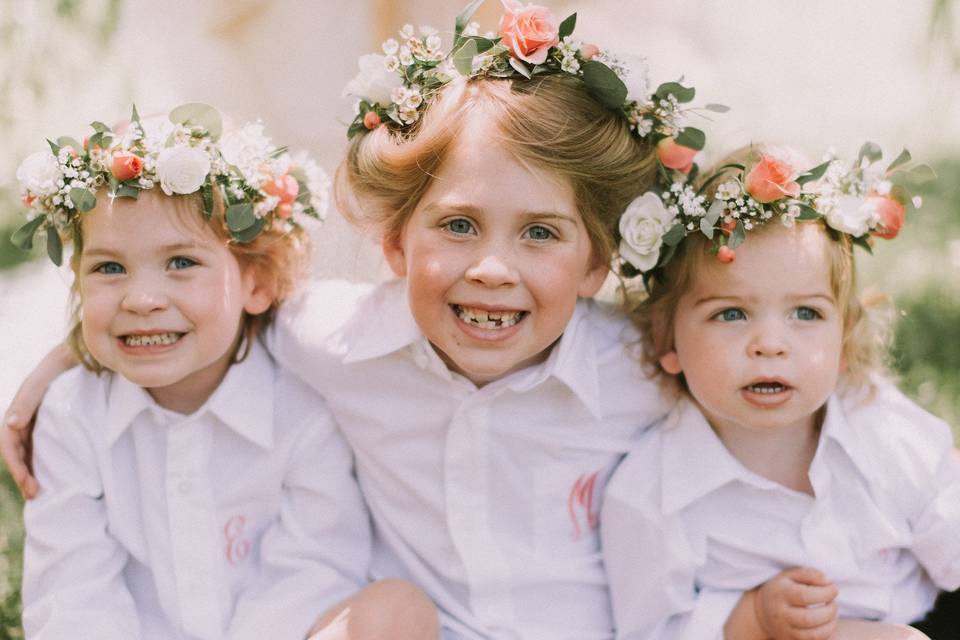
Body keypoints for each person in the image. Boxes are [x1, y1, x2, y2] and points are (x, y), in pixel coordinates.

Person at [6, 3, 703, 637]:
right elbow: (208, 309)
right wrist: (71, 356)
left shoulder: (645, 367)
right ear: (396, 243)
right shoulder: (334, 341)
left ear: (595, 264)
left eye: (541, 234)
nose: (493, 268)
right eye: (458, 225)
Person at [13, 105, 437, 639]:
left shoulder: (304, 405)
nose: (142, 299)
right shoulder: (73, 414)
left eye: (181, 263)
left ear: (255, 283)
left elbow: (314, 566)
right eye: (109, 268)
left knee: (395, 611)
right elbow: (72, 592)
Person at [602, 145, 959, 639]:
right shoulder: (650, 494)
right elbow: (652, 628)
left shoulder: (881, 427)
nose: (770, 344)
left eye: (806, 314)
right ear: (666, 338)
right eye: (730, 313)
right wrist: (752, 619)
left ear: (844, 341)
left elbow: (949, 521)